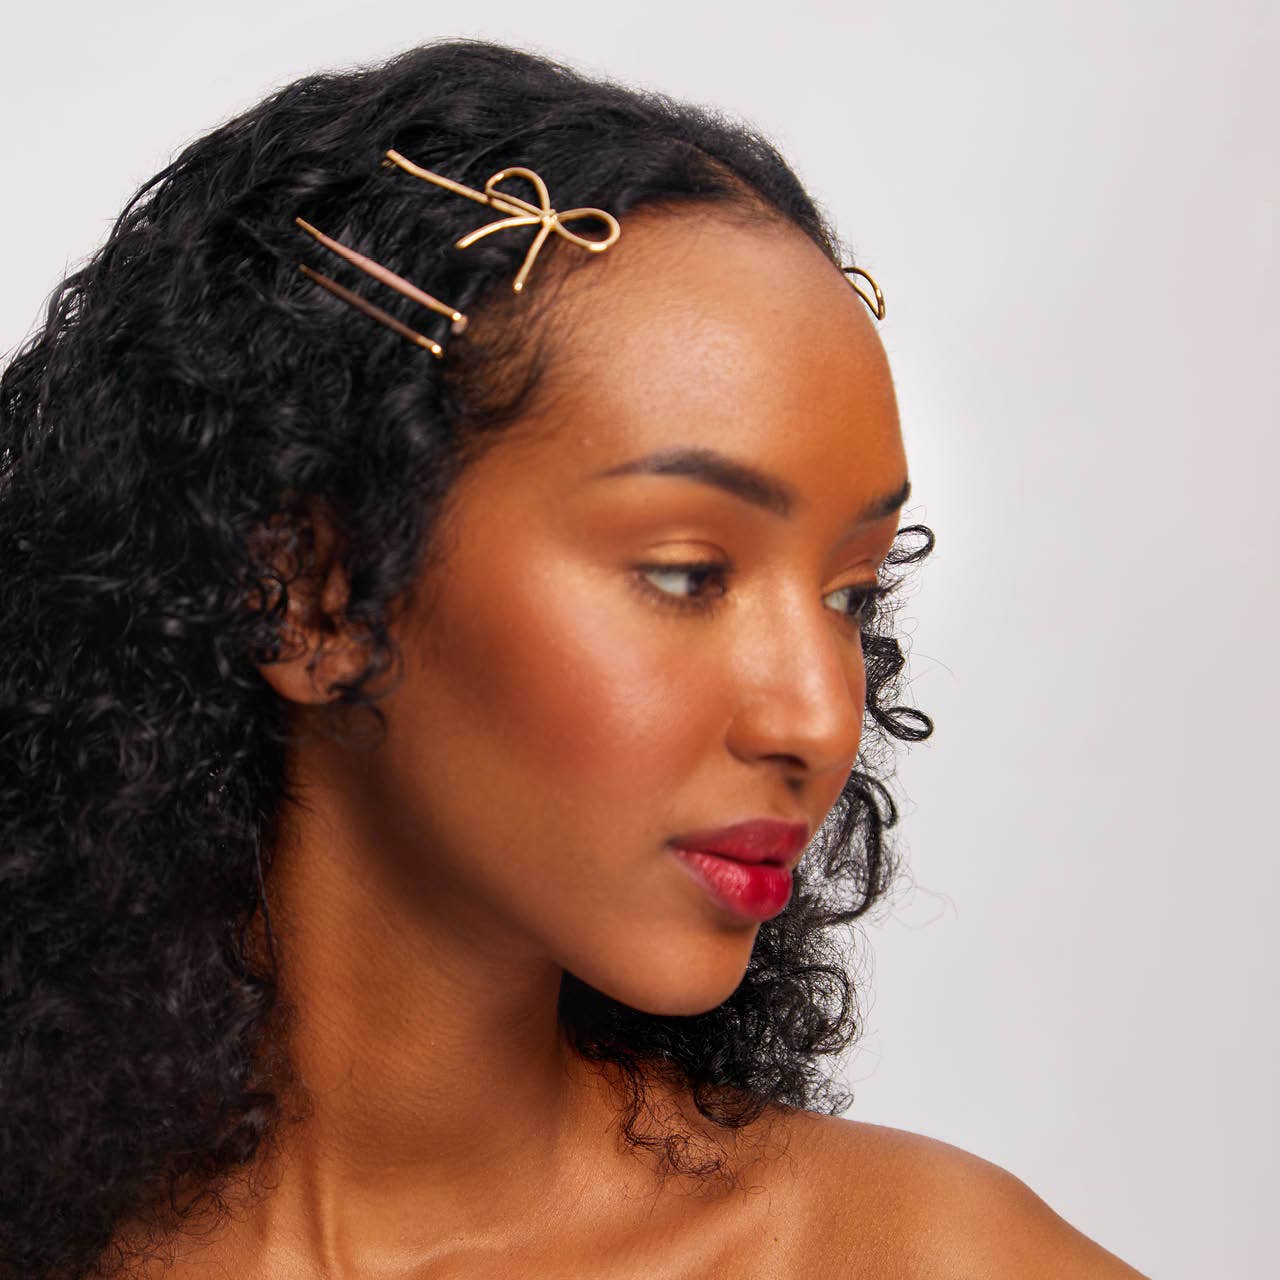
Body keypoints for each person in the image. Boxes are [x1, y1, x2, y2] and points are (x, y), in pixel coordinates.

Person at [0, 38, 1147, 1280]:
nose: (820, 718)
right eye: (686, 572)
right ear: (309, 593)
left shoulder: (925, 1259)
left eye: (848, 593)